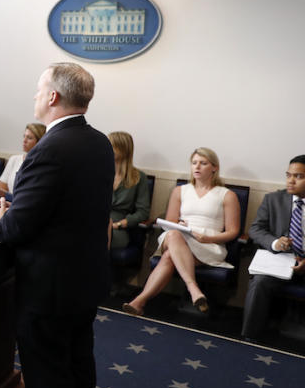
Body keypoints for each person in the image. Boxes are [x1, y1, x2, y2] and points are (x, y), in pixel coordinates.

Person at [0, 62, 114, 388]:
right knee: (78, 369)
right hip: (84, 280)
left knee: (47, 377)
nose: (35, 96)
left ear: (54, 97)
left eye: (39, 89)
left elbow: (18, 227)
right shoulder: (98, 142)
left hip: (49, 289)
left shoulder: (50, 149)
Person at [122, 147, 240, 316]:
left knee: (169, 256)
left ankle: (139, 302)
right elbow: (170, 223)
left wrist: (206, 238)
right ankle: (194, 289)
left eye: (203, 163)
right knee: (174, 234)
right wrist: (179, 224)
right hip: (179, 236)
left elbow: (233, 231)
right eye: (194, 163)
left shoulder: (227, 195)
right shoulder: (180, 191)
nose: (197, 167)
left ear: (214, 167)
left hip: (208, 244)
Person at [241, 155, 305, 341]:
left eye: (298, 176)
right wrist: (275, 243)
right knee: (259, 282)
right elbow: (255, 229)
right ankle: (249, 338)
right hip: (280, 261)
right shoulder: (273, 199)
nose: (290, 180)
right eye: (288, 175)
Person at [107, 131, 151, 251]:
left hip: (118, 228)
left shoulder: (138, 177)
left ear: (123, 149)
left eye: (111, 145)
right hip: (96, 222)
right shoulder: (99, 172)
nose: (107, 148)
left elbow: (143, 212)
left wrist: (120, 224)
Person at [0, 123, 46, 194]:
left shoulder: (44, 164)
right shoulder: (14, 159)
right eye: (24, 136)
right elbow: (1, 189)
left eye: (29, 138)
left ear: (40, 141)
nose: (24, 141)